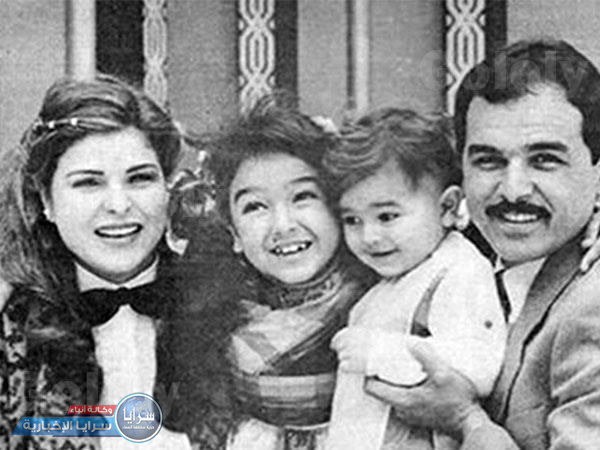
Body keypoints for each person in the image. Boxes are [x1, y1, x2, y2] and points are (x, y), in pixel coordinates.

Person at [364, 39, 600, 449]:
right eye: (488, 160)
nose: (513, 189)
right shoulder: (463, 252)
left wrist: (465, 419)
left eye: (544, 159)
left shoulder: (592, 305)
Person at [0, 75, 203, 449]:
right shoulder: (11, 325)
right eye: (89, 183)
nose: (119, 205)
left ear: (167, 188)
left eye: (140, 178)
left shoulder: (220, 304)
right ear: (45, 200)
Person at [170, 96, 373, 450]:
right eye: (255, 207)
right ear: (233, 233)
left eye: (303, 196)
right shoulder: (214, 318)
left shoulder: (379, 303)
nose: (283, 225)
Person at [322, 109, 506, 450]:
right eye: (352, 220)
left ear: (447, 207)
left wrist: (380, 352)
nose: (369, 236)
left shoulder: (459, 270)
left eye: (387, 216)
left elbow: (481, 363)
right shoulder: (394, 278)